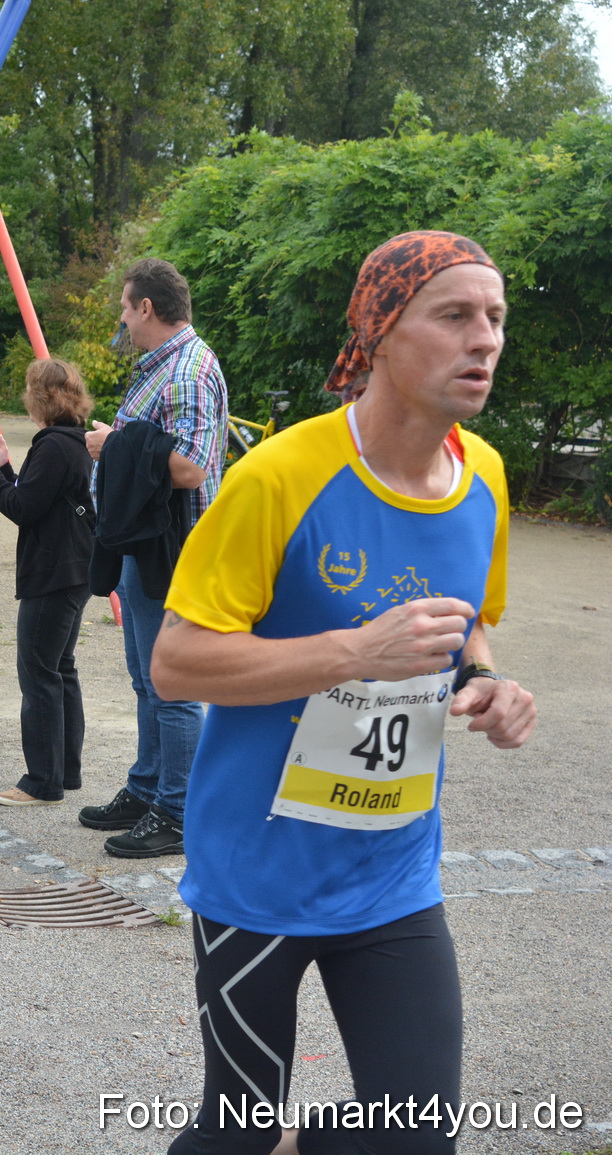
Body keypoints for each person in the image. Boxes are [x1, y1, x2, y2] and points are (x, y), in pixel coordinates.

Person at [151, 231, 536, 1155]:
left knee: (418, 1138)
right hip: (258, 874)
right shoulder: (281, 476)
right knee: (235, 1134)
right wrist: (354, 652)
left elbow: (468, 624)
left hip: (392, 871)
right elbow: (176, 662)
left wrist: (485, 680)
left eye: (494, 317)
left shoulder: (483, 476)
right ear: (382, 332)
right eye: (455, 315)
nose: (484, 338)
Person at [79, 257, 226, 857]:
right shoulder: (166, 365)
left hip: (174, 554)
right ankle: (148, 789)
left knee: (173, 685)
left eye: (125, 307)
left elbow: (190, 466)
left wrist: (113, 444)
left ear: (146, 307)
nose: (121, 318)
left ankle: (178, 811)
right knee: (149, 680)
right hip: (148, 546)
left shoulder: (186, 370)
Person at [0, 358, 96, 803]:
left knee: (38, 672)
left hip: (54, 570)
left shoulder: (53, 445)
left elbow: (23, 508)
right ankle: (64, 771)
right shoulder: (73, 440)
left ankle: (42, 781)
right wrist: (2, 467)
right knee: (60, 668)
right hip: (75, 566)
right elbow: (37, 495)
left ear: (40, 399)